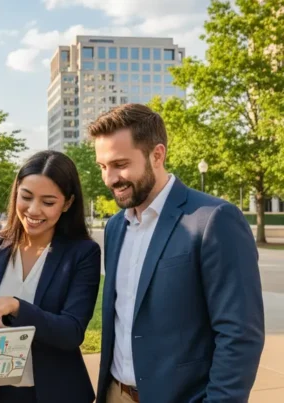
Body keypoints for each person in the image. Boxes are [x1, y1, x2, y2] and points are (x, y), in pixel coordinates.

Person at [92, 104, 265, 403]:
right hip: (114, 394)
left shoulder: (214, 219)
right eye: (103, 166)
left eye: (120, 164)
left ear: (157, 155)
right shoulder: (115, 227)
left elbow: (240, 335)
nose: (110, 179)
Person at [0, 150, 101, 403]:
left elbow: (71, 332)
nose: (33, 210)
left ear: (67, 203)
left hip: (57, 393)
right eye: (26, 197)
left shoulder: (83, 253)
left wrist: (15, 306)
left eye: (48, 202)